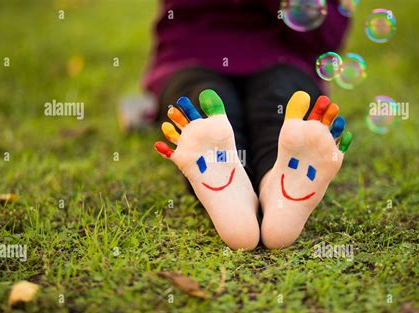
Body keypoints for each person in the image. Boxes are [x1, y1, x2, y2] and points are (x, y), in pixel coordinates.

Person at [144, 0, 353, 250]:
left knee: (225, 101)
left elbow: (328, 35)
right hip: (194, 55)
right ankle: (244, 186)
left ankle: (266, 184)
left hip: (279, 58)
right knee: (258, 102)